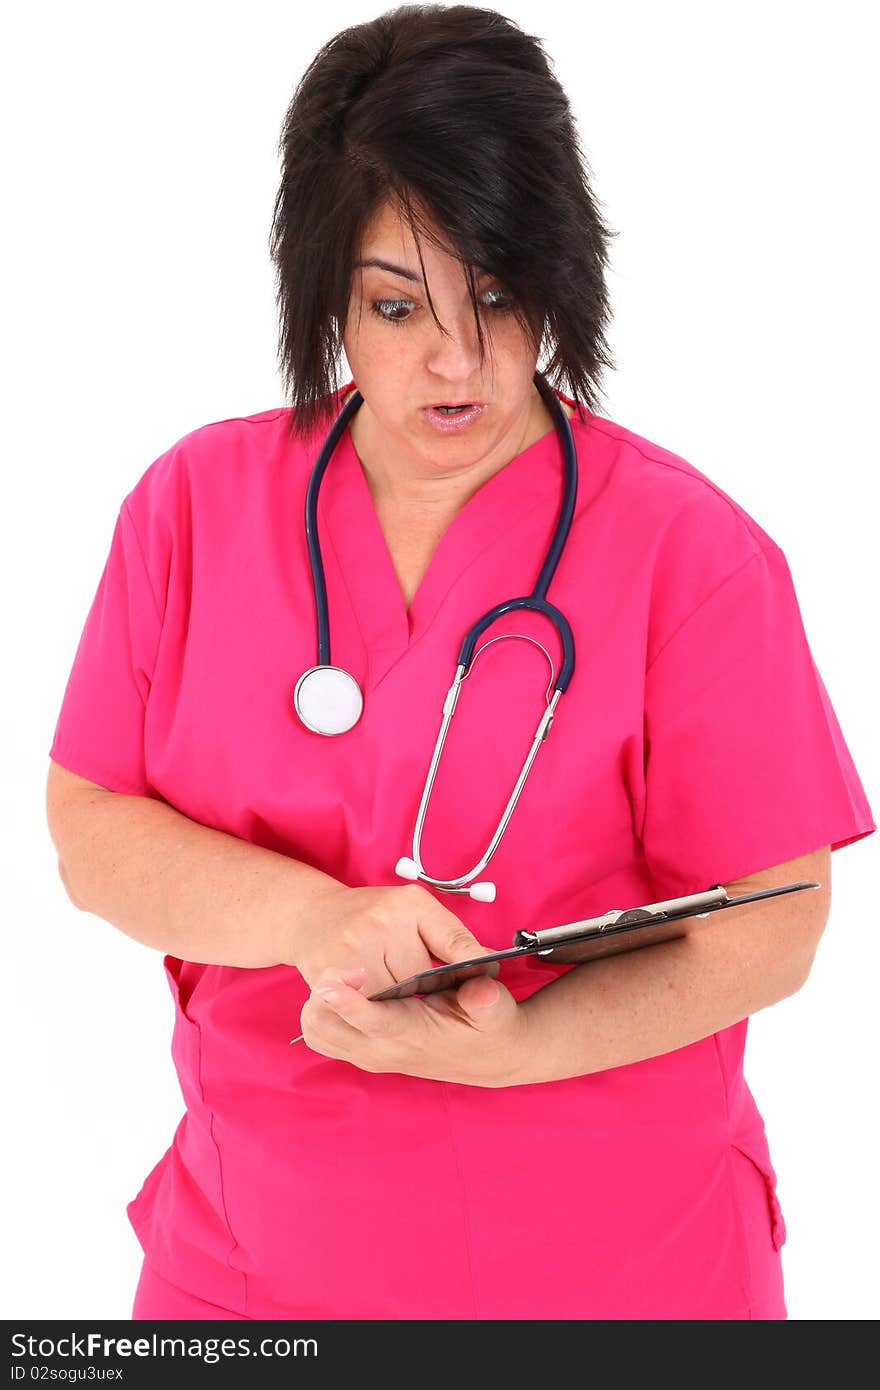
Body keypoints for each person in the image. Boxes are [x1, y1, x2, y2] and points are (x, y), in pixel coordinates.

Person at [45, 3, 875, 1322]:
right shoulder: (192, 510)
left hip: (626, 1278)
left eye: (495, 292)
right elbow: (91, 827)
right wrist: (315, 919)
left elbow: (778, 913)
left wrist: (525, 1044)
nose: (457, 359)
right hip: (252, 1273)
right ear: (325, 292)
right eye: (394, 304)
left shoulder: (690, 554)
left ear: (559, 268)